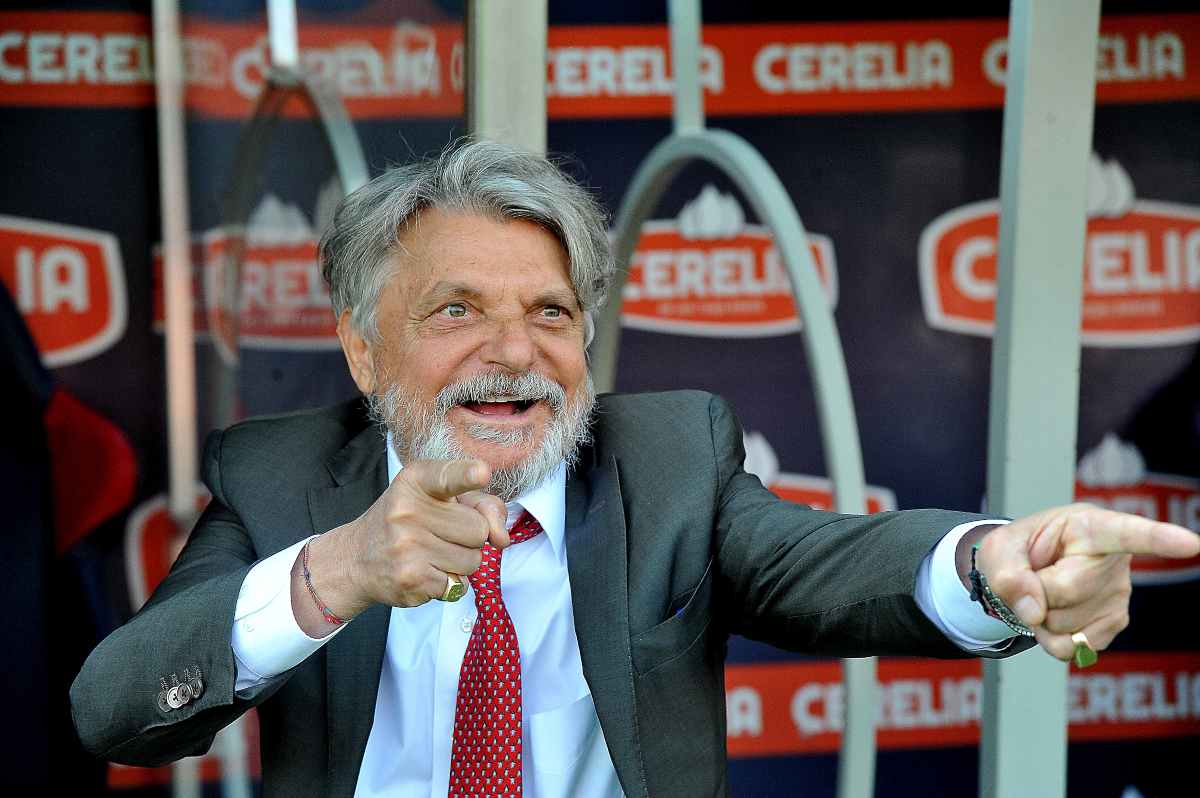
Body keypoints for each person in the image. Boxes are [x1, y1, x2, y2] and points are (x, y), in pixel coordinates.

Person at [71, 141, 1199, 798]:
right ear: (364, 349)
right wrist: (339, 572)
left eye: (549, 313)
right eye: (456, 311)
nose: (513, 353)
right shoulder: (281, 477)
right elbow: (114, 711)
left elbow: (827, 563)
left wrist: (995, 566)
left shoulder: (669, 460)